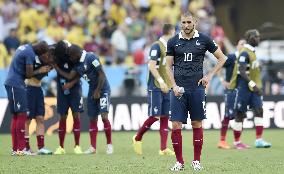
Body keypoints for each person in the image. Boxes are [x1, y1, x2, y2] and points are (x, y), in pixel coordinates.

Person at [165, 12, 227, 171]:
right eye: (183, 22)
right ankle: (179, 162)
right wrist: (173, 86)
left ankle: (196, 161)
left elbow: (222, 58)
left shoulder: (204, 39)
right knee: (176, 125)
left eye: (188, 22)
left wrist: (210, 75)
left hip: (197, 89)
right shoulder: (172, 41)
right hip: (179, 89)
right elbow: (167, 66)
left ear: (195, 22)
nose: (186, 25)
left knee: (196, 123)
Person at [54, 43, 113, 155]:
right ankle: (93, 147)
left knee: (104, 116)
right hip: (92, 90)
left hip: (103, 89)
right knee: (92, 118)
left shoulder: (91, 57)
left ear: (76, 54)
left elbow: (101, 74)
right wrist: (69, 82)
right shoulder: (78, 63)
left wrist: (98, 90)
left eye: (71, 56)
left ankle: (109, 145)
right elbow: (71, 76)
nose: (70, 59)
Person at [132, 24, 175, 156]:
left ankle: (163, 148)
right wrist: (161, 81)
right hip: (155, 85)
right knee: (155, 116)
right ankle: (137, 137)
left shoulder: (169, 47)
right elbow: (151, 66)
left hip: (166, 86)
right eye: (174, 31)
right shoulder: (156, 46)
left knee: (165, 117)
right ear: (171, 31)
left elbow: (168, 67)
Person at [4, 41, 51, 155]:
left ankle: (16, 149)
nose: (40, 56)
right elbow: (29, 74)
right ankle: (22, 148)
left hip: (12, 82)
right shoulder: (30, 53)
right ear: (40, 50)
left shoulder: (24, 47)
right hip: (16, 84)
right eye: (42, 53)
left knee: (16, 116)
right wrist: (39, 70)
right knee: (22, 115)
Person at [230, 29, 271, 149]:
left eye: (259, 36)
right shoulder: (244, 53)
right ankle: (237, 142)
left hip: (254, 88)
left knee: (259, 110)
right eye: (256, 37)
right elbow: (242, 71)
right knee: (240, 114)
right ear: (250, 38)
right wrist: (253, 84)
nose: (259, 38)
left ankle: (259, 140)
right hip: (244, 88)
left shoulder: (253, 52)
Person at [52, 40, 84, 155]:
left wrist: (70, 83)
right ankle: (61, 147)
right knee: (62, 117)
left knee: (76, 115)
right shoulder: (56, 51)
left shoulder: (74, 53)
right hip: (62, 90)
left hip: (75, 90)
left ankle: (77, 146)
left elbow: (79, 73)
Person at [24, 47, 54, 155]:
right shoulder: (32, 59)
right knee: (27, 119)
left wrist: (49, 67)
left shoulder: (48, 63)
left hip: (38, 90)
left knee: (40, 118)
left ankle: (41, 147)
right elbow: (26, 74)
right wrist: (39, 70)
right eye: (49, 55)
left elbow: (39, 78)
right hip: (28, 89)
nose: (49, 58)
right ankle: (26, 148)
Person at [217, 39, 246, 149]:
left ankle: (237, 142)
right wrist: (222, 80)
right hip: (232, 90)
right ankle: (222, 140)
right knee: (228, 114)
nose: (243, 46)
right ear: (237, 46)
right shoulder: (232, 57)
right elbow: (219, 65)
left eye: (245, 44)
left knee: (240, 115)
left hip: (243, 91)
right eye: (241, 44)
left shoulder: (246, 58)